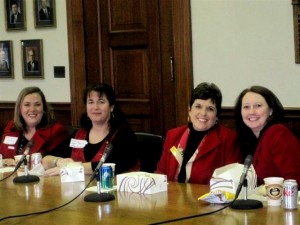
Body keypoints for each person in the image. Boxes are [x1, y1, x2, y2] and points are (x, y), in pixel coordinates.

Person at [42, 83, 139, 176]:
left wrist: (72, 168)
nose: (95, 107)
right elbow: (45, 159)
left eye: (101, 102)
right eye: (91, 102)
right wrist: (59, 161)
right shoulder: (79, 134)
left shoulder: (124, 134)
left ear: (111, 107)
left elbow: (113, 165)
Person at [155, 82, 242, 184]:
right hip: (172, 197)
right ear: (189, 110)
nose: (203, 113)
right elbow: (161, 172)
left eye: (210, 109)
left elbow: (232, 180)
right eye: (198, 106)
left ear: (217, 115)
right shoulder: (173, 135)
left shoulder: (228, 139)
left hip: (207, 199)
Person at [234, 85, 300, 185]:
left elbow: (294, 181)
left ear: (270, 110)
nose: (251, 112)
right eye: (246, 107)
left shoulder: (279, 134)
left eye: (258, 106)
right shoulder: (249, 139)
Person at [0, 86, 69, 166]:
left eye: (37, 104)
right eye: (27, 105)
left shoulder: (57, 131)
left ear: (44, 109)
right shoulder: (12, 127)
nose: (32, 109)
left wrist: (14, 162)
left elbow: (55, 163)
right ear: (19, 109)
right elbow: (2, 156)